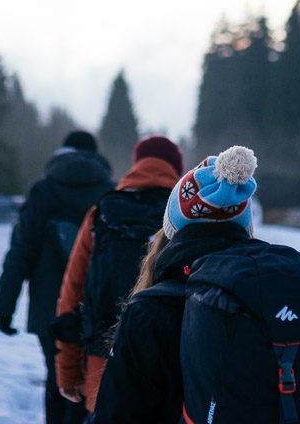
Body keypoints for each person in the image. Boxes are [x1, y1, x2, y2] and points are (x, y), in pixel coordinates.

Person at [93, 145, 300, 424]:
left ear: (173, 228)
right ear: (244, 226)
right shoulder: (285, 291)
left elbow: (117, 414)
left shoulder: (150, 310)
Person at [53, 135, 185, 416]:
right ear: (177, 167)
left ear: (137, 164)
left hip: (102, 368)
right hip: (170, 371)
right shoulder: (184, 217)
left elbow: (72, 294)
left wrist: (68, 372)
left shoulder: (102, 213)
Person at [0, 130, 114, 424]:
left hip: (50, 311)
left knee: (56, 377)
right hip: (97, 309)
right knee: (92, 382)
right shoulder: (112, 193)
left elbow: (20, 252)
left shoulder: (42, 191)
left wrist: (4, 308)